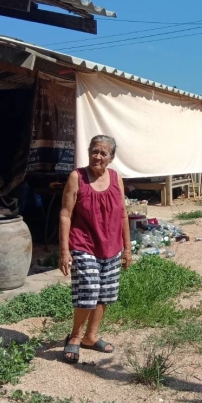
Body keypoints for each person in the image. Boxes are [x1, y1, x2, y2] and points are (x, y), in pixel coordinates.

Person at [59, 134, 132, 362]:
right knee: (89, 290)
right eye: (94, 151)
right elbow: (65, 214)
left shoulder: (116, 178)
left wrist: (127, 248)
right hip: (84, 244)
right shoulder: (77, 177)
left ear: (111, 157)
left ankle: (90, 337)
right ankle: (75, 336)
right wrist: (64, 251)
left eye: (103, 153)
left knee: (104, 293)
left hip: (111, 246)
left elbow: (123, 214)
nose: (98, 156)